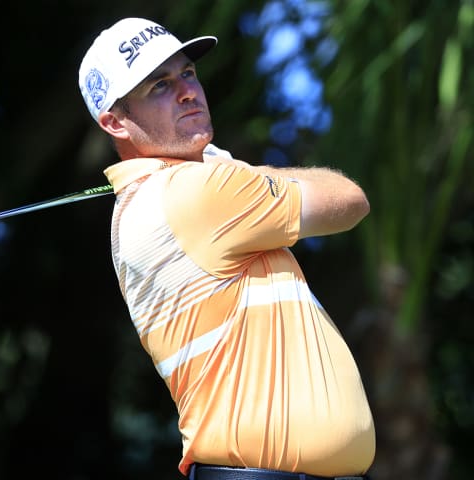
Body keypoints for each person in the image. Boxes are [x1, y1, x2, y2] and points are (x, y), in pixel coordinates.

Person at [77, 17, 376, 480]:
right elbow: (350, 200)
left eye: (187, 74)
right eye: (159, 85)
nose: (187, 92)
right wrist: (243, 172)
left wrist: (237, 174)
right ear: (115, 122)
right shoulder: (196, 193)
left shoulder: (162, 201)